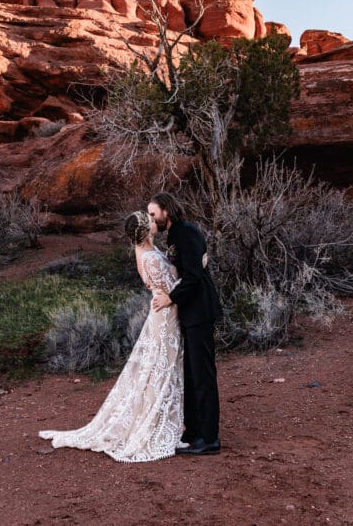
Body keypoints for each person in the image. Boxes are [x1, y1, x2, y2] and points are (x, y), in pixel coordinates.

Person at [38, 211, 184, 462]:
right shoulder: (149, 257)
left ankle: (164, 416)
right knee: (161, 367)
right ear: (145, 230)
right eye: (149, 220)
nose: (154, 221)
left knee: (157, 368)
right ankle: (154, 422)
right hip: (166, 315)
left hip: (162, 314)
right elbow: (173, 285)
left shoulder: (146, 252)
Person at [149, 192, 223, 456]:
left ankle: (210, 438)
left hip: (200, 311)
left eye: (153, 213)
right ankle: (193, 431)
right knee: (191, 375)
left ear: (166, 210)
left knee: (203, 375)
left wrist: (171, 298)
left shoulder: (185, 233)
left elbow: (194, 276)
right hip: (190, 314)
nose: (151, 219)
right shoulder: (175, 235)